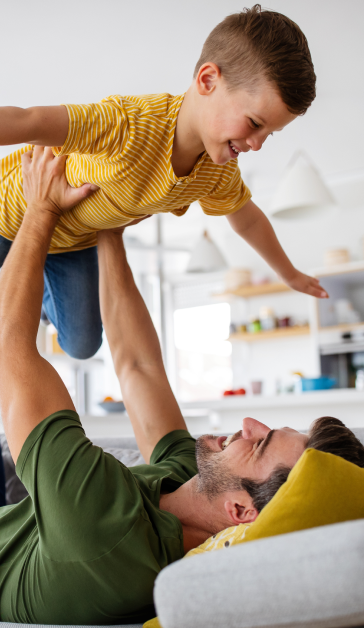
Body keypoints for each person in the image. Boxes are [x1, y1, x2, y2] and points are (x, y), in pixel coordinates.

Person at [0, 148, 363, 625]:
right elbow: (138, 367)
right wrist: (109, 229)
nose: (250, 424)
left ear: (238, 511)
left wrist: (42, 208)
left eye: (259, 445)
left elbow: (10, 347)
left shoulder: (111, 536)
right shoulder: (182, 489)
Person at [0, 5, 327, 359]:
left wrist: (289, 274)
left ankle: (48, 294)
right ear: (208, 81)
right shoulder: (128, 125)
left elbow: (247, 219)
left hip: (72, 244)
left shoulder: (217, 173)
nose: (257, 144)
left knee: (81, 346)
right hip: (9, 214)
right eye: (254, 123)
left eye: (270, 135)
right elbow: (28, 120)